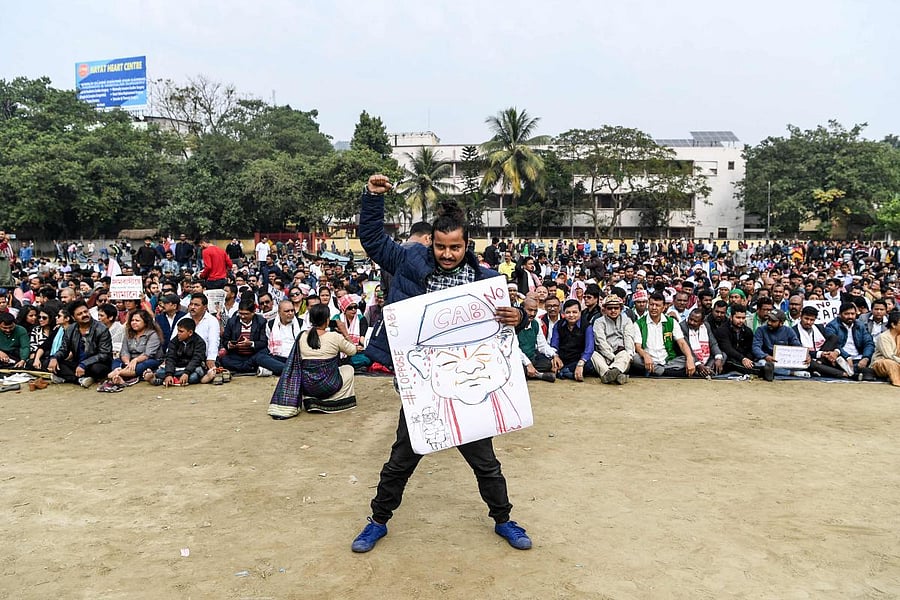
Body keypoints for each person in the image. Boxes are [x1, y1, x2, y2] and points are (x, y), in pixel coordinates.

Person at [344, 174, 531, 554]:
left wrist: (520, 319)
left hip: (469, 387)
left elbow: (510, 325)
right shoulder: (409, 260)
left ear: (467, 244)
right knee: (402, 459)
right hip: (425, 386)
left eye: (456, 247)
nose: (448, 254)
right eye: (442, 247)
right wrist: (372, 199)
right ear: (431, 242)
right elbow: (373, 241)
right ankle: (377, 521)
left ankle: (504, 519)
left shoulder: (488, 281)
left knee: (486, 463)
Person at [268, 302, 358, 417]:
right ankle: (334, 400)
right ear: (327, 319)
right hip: (329, 386)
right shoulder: (335, 337)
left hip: (308, 386)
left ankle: (313, 400)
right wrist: (345, 332)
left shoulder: (302, 336)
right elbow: (353, 350)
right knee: (348, 369)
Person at [48, 300, 113, 387]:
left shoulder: (101, 329)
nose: (84, 315)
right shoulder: (70, 329)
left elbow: (104, 354)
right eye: (80, 314)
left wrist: (84, 364)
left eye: (85, 312)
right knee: (50, 362)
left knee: (97, 370)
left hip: (96, 363)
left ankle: (69, 377)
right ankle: (79, 379)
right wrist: (55, 358)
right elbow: (64, 350)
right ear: (73, 317)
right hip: (77, 363)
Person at [632, 293, 695, 377]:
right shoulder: (639, 323)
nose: (654, 308)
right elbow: (638, 346)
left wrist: (690, 358)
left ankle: (657, 371)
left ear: (664, 307)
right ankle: (666, 372)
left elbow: (682, 343)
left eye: (657, 305)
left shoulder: (672, 322)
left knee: (689, 358)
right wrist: (645, 355)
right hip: (648, 359)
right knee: (635, 359)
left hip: (668, 360)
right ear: (648, 305)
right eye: (651, 305)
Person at [102, 309, 163, 390]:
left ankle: (117, 374)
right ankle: (123, 376)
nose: (134, 322)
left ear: (145, 322)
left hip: (148, 359)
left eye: (137, 320)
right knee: (116, 361)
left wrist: (135, 360)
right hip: (130, 361)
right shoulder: (129, 333)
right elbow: (124, 351)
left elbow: (148, 354)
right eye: (132, 320)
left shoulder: (153, 334)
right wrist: (127, 363)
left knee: (145, 364)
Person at [145, 317, 208, 386]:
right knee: (160, 372)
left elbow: (196, 360)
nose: (178, 333)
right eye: (178, 331)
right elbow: (170, 358)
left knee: (194, 377)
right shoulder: (174, 341)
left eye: (181, 331)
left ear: (190, 332)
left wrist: (186, 373)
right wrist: (169, 374)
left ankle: (161, 381)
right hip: (177, 368)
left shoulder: (199, 342)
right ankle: (172, 379)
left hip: (191, 369)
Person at [590, 295, 636, 384]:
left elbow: (628, 339)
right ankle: (617, 375)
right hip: (604, 355)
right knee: (592, 354)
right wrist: (611, 357)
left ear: (621, 309)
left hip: (620, 355)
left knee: (626, 354)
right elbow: (600, 342)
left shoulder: (627, 321)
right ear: (605, 309)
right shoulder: (599, 322)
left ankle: (609, 374)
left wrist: (628, 355)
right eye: (610, 308)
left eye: (616, 308)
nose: (613, 311)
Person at [825, 302, 876, 380]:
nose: (850, 316)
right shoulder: (832, 326)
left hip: (858, 358)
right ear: (839, 314)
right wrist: (847, 357)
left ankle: (852, 372)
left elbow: (868, 343)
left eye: (852, 314)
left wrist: (865, 358)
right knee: (833, 360)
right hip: (841, 357)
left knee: (875, 360)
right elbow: (834, 344)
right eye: (847, 314)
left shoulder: (860, 325)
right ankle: (855, 373)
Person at [550, 299, 596, 381]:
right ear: (563, 313)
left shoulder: (586, 326)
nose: (571, 315)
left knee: (590, 364)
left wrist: (580, 364)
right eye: (568, 312)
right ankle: (568, 373)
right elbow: (554, 345)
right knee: (548, 362)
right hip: (562, 359)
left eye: (574, 312)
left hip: (579, 360)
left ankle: (564, 373)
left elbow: (589, 348)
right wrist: (555, 356)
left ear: (580, 313)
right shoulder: (558, 325)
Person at [220, 299, 269, 374]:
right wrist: (229, 345)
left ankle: (244, 367)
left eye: (246, 314)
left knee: (263, 354)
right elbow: (225, 340)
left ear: (253, 312)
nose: (242, 316)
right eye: (240, 313)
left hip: (253, 355)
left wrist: (251, 344)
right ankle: (249, 367)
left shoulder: (261, 321)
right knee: (224, 360)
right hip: (237, 355)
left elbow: (264, 342)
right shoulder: (232, 321)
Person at [256, 300, 302, 376]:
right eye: (287, 311)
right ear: (279, 312)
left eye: (292, 311)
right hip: (278, 357)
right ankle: (290, 371)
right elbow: (270, 345)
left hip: (296, 358)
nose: (290, 313)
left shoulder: (301, 323)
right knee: (259, 357)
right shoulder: (270, 324)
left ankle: (278, 370)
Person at [516, 297, 557, 382]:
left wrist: (554, 355)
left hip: (531, 358)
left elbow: (542, 345)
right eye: (530, 310)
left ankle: (531, 373)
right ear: (522, 310)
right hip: (519, 360)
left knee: (548, 364)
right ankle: (538, 375)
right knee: (520, 370)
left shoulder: (535, 323)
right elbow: (515, 349)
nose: (532, 314)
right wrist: (528, 364)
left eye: (535, 311)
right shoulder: (515, 325)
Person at [680, 308, 724, 378]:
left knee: (721, 355)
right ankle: (705, 371)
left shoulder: (706, 326)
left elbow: (713, 343)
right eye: (690, 319)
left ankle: (706, 370)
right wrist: (698, 364)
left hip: (706, 358)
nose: (691, 322)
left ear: (701, 322)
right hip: (690, 357)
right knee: (684, 359)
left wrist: (718, 358)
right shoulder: (682, 326)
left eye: (695, 321)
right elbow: (687, 348)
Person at [871, 311, 900, 386]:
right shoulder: (883, 337)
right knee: (890, 363)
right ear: (893, 325)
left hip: (897, 362)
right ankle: (897, 381)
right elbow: (889, 356)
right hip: (880, 363)